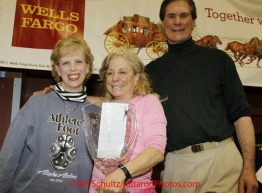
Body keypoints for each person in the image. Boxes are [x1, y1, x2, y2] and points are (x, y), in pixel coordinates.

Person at [144, 0, 258, 193]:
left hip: (222, 161)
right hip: (176, 167)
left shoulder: (218, 60)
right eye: (171, 16)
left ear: (194, 21)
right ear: (162, 22)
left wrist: (249, 167)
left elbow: (241, 115)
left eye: (184, 15)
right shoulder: (150, 72)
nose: (177, 21)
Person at [0, 35, 96, 193]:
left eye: (78, 61)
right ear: (57, 69)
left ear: (87, 67)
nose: (73, 68)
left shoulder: (95, 113)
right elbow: (9, 154)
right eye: (66, 62)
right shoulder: (36, 103)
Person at [90, 51, 167, 193]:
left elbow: (156, 152)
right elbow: (85, 100)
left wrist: (120, 174)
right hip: (98, 188)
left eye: (123, 72)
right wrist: (58, 92)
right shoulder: (106, 108)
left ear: (137, 77)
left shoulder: (148, 102)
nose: (115, 78)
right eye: (110, 73)